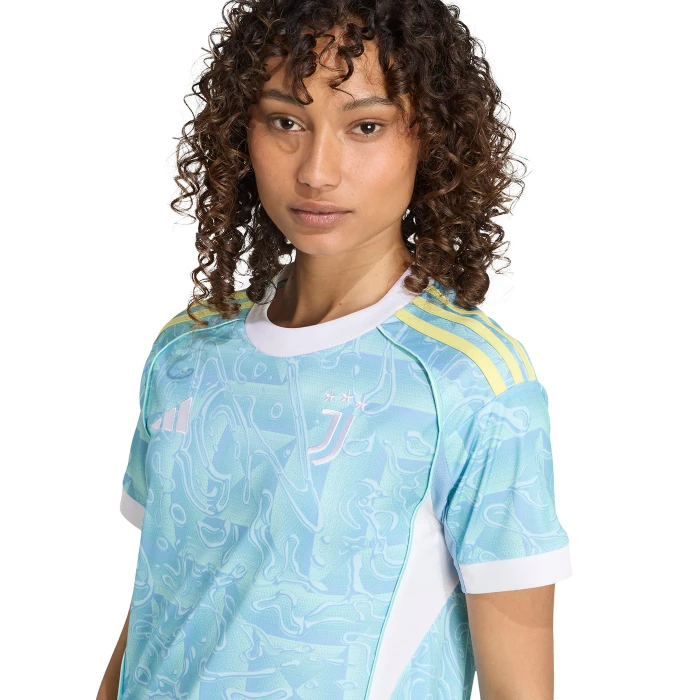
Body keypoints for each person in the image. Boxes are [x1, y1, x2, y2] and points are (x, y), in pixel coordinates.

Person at [97, 1, 572, 697]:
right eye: (285, 122)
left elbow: (519, 688)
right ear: (241, 129)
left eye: (366, 127)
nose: (317, 171)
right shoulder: (189, 349)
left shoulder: (469, 381)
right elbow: (159, 608)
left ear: (432, 138)